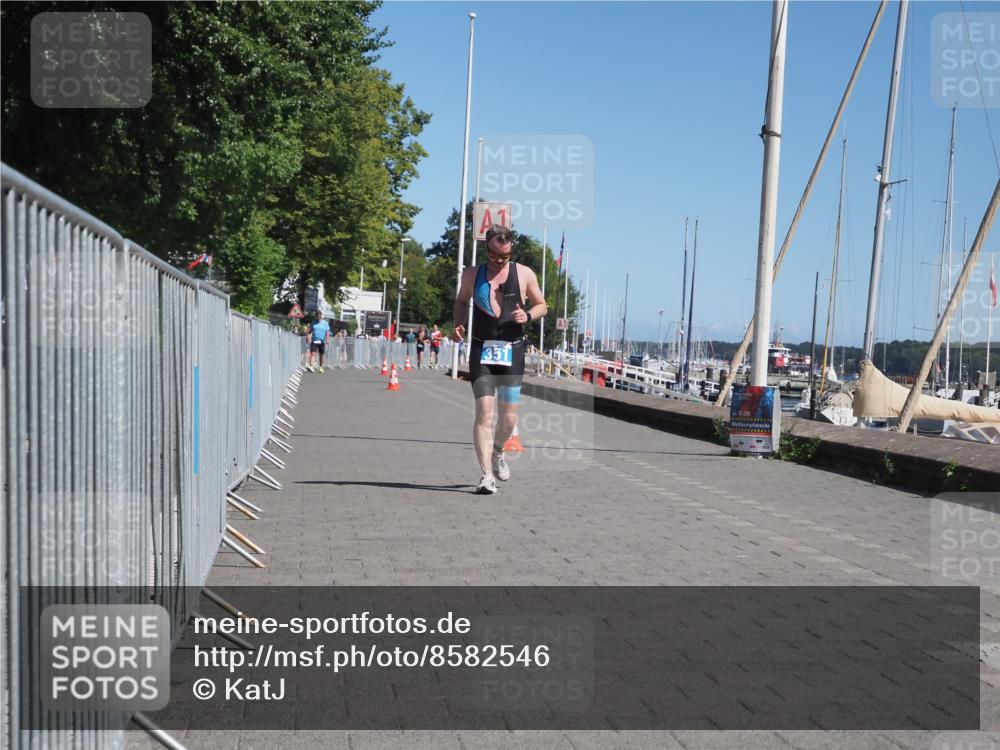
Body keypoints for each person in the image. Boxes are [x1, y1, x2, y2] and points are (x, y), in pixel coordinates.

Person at [452, 225, 547, 494]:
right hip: (481, 352)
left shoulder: (524, 273)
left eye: (504, 256)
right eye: (494, 255)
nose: (499, 261)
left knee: (508, 419)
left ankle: (497, 452)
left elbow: (542, 305)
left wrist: (528, 316)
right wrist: (458, 325)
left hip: (512, 352)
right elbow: (461, 301)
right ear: (487, 250)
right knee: (484, 413)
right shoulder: (472, 274)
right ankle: (486, 476)